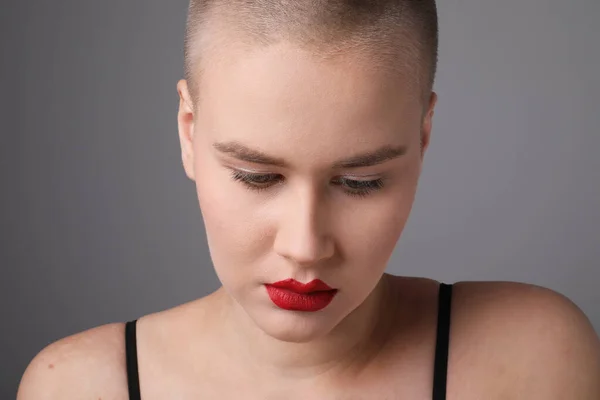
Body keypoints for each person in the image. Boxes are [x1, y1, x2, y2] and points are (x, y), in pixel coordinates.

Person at [17, 0, 600, 399]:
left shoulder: (535, 360)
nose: (305, 247)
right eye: (256, 176)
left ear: (423, 135)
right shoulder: (80, 386)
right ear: (188, 130)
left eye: (361, 181)